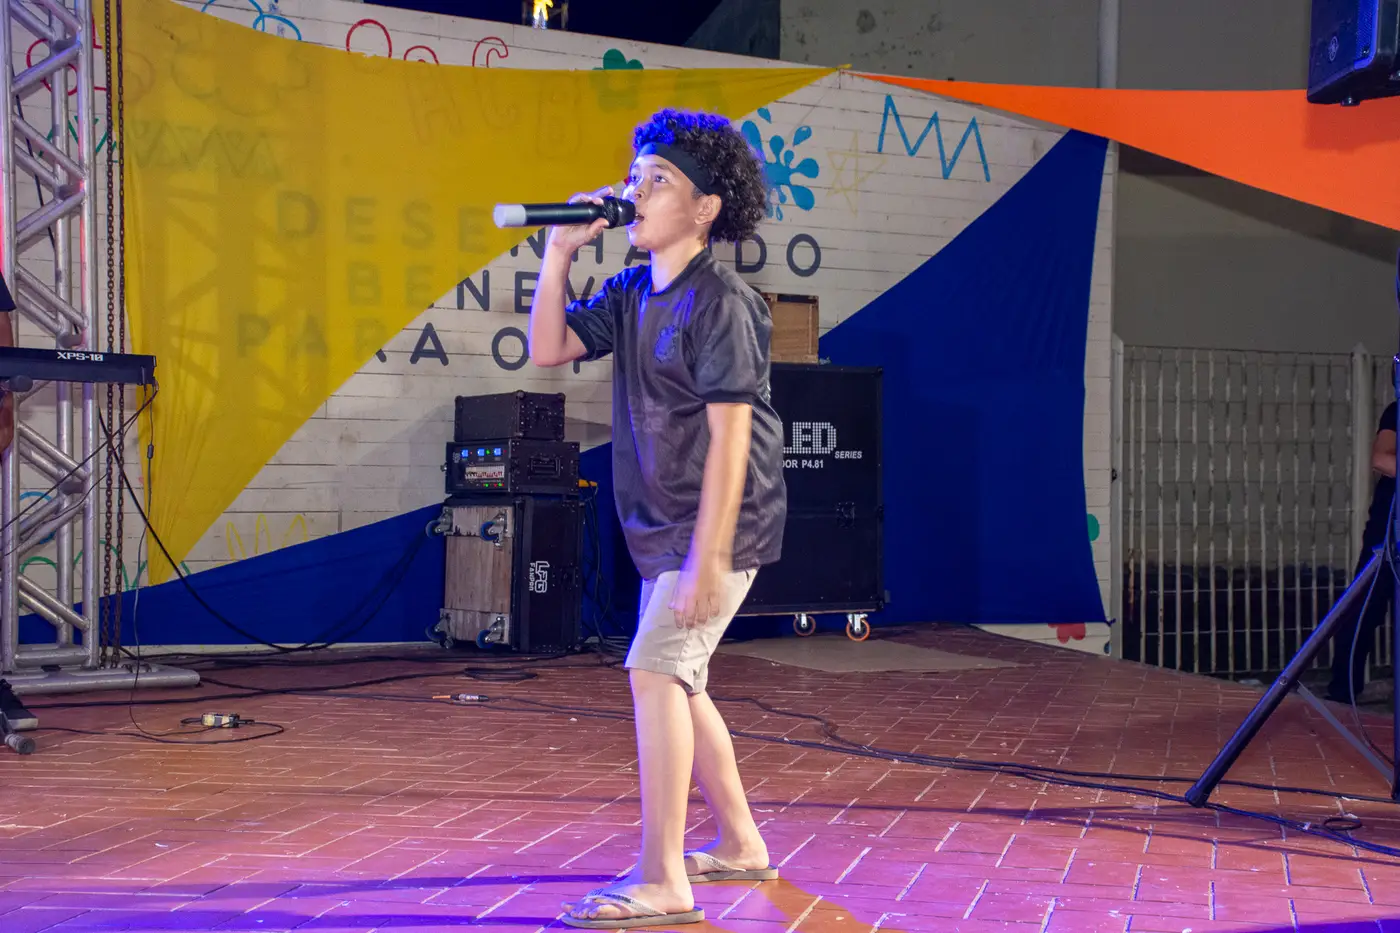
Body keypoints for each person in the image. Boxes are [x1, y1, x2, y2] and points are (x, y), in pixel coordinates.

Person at [527, 109, 787, 929]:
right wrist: (559, 253)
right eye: (635, 176)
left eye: (659, 179)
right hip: (662, 523)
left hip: (721, 523)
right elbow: (547, 348)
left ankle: (664, 878)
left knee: (654, 672)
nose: (636, 192)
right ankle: (740, 842)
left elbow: (732, 438)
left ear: (705, 208)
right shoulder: (633, 291)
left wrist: (709, 556)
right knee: (681, 677)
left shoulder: (724, 302)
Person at [1328, 399, 1397, 705]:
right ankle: (1342, 694)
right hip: (1389, 530)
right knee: (1364, 607)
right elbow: (1381, 459)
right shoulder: (1397, 410)